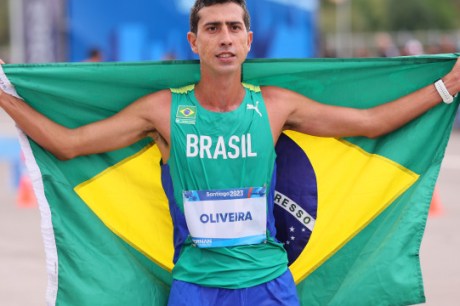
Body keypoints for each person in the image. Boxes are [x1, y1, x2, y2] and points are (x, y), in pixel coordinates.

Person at [1, 0, 460, 305]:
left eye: (233, 27)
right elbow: (67, 144)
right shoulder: (164, 111)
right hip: (196, 287)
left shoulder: (275, 106)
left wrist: (446, 86)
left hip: (268, 284)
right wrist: (4, 94)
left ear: (248, 41)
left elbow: (369, 124)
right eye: (212, 28)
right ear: (193, 42)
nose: (224, 37)